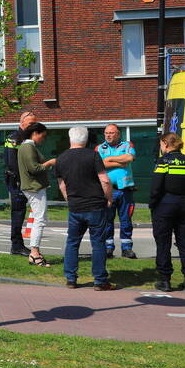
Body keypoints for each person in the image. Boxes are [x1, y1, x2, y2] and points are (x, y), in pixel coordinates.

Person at [55, 126, 116, 290]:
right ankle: (100, 280)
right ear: (86, 139)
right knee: (98, 243)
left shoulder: (60, 159)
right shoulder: (93, 155)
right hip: (95, 205)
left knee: (73, 242)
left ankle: (71, 278)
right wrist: (109, 198)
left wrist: (70, 201)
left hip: (75, 207)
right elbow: (105, 180)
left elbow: (62, 186)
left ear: (70, 138)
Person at [149, 133, 185, 292]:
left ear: (165, 144)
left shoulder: (163, 161)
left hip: (166, 205)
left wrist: (153, 204)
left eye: (160, 144)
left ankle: (165, 280)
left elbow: (156, 187)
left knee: (163, 243)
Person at [17, 122, 56, 267]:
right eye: (43, 136)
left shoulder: (26, 146)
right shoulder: (28, 147)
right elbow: (34, 168)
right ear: (35, 133)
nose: (43, 139)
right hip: (34, 188)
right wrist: (50, 162)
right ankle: (34, 253)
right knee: (40, 220)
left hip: (33, 187)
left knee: (39, 219)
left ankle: (35, 253)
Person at [96, 124, 137, 259]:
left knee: (126, 220)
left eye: (112, 133)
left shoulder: (127, 145)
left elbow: (129, 158)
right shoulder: (99, 148)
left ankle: (126, 248)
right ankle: (108, 248)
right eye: (106, 133)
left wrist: (109, 159)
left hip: (125, 190)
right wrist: (120, 161)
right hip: (108, 190)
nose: (108, 135)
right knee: (107, 220)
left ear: (118, 134)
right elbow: (99, 164)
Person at [3, 110, 37, 255]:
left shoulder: (28, 138)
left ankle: (18, 245)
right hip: (17, 181)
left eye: (34, 123)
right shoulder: (14, 138)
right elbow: (12, 163)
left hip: (24, 180)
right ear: (21, 123)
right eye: (31, 123)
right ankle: (16, 246)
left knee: (21, 213)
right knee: (18, 213)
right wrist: (21, 180)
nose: (33, 126)